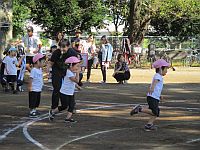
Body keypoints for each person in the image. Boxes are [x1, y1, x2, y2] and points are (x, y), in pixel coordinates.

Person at [130, 59, 170, 131]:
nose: (166, 71)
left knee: (156, 111)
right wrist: (152, 88)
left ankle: (149, 124)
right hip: (152, 97)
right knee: (155, 112)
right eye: (166, 69)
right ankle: (139, 109)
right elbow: (155, 82)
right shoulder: (158, 76)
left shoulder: (159, 76)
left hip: (154, 97)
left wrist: (160, 95)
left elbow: (158, 88)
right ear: (161, 68)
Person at [49, 39, 78, 118]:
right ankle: (54, 107)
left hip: (67, 72)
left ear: (68, 46)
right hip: (57, 71)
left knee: (69, 88)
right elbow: (51, 63)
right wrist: (49, 72)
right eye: (60, 47)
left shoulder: (72, 53)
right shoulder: (56, 52)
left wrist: (76, 71)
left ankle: (71, 106)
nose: (62, 49)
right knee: (57, 88)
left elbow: (78, 62)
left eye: (64, 47)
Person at [49, 56, 81, 122]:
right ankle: (52, 112)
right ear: (71, 65)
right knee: (64, 106)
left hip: (70, 92)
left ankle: (68, 118)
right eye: (76, 66)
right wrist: (78, 73)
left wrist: (77, 86)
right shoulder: (69, 72)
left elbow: (73, 82)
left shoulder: (71, 72)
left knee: (72, 105)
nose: (77, 68)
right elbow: (76, 80)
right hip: (64, 92)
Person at [28, 53, 45, 118]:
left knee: (37, 100)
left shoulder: (40, 69)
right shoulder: (34, 70)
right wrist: (30, 86)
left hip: (38, 88)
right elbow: (31, 79)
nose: (43, 63)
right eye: (42, 62)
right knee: (33, 100)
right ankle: (32, 111)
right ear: (38, 61)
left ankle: (34, 110)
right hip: (34, 88)